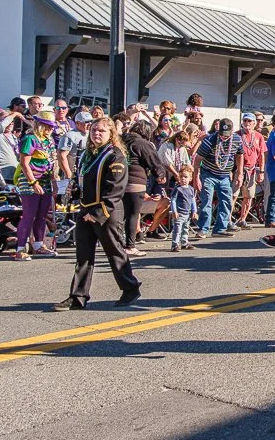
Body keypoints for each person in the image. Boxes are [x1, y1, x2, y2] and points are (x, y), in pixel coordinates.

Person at [53, 117, 142, 310]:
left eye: (101, 130)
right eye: (93, 130)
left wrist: (97, 213)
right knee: (83, 255)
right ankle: (78, 296)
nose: (96, 133)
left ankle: (130, 288)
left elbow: (115, 188)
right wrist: (75, 191)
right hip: (86, 208)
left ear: (111, 134)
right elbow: (86, 181)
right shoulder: (88, 154)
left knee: (114, 252)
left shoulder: (115, 155)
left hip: (106, 212)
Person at [13, 109, 58, 260]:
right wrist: (33, 183)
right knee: (29, 215)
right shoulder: (30, 139)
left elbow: (51, 163)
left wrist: (54, 182)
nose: (50, 129)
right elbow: (24, 163)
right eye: (47, 126)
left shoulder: (49, 141)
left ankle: (39, 245)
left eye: (52, 127)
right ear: (40, 125)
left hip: (45, 180)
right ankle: (20, 249)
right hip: (29, 179)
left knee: (42, 215)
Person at [193, 119, 243, 238]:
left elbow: (240, 155)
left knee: (226, 201)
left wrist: (240, 173)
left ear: (232, 131)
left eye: (227, 135)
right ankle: (203, 229)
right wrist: (196, 178)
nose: (224, 137)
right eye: (222, 134)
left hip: (225, 175)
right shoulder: (210, 140)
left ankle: (220, 228)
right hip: (208, 173)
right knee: (206, 201)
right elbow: (197, 160)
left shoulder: (237, 139)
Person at [122, 121, 163, 257]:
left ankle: (115, 244)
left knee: (119, 215)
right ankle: (130, 246)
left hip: (118, 182)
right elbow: (154, 161)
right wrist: (160, 175)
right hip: (135, 182)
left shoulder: (121, 140)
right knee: (133, 214)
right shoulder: (142, 143)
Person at [233, 113, 267, 229]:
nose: (247, 123)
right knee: (233, 195)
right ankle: (227, 221)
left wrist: (261, 171)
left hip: (251, 170)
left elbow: (261, 155)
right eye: (245, 121)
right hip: (237, 169)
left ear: (254, 123)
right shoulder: (236, 135)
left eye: (249, 121)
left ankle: (242, 219)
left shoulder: (259, 136)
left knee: (249, 196)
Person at [0, 105, 24, 188]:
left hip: (15, 175)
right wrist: (14, 114)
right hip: (1, 176)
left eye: (12, 120)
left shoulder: (14, 137)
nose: (11, 122)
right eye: (7, 119)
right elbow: (2, 126)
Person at [169, 165, 198, 252]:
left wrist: (194, 211)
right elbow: (173, 200)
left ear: (190, 178)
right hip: (179, 213)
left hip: (187, 213)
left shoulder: (191, 189)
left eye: (185, 177)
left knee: (185, 229)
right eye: (181, 177)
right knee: (177, 230)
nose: (183, 179)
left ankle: (184, 243)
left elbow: (193, 200)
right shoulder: (177, 189)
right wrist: (174, 211)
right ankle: (175, 245)